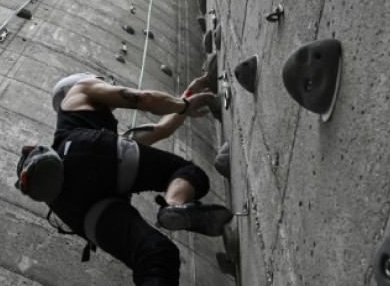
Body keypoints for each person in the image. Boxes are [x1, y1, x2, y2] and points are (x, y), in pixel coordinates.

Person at [15, 73, 233, 286]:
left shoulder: (97, 134)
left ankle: (174, 214)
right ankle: (174, 204)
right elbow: (143, 99)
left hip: (71, 207)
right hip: (88, 150)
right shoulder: (81, 87)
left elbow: (162, 129)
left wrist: (186, 96)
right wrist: (183, 104)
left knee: (156, 254)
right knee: (187, 172)